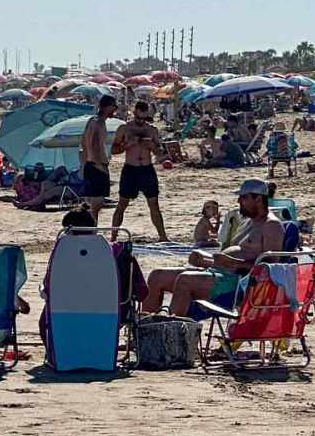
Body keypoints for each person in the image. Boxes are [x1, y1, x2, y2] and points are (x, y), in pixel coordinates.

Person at [140, 178, 285, 316]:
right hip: (218, 273)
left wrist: (234, 263)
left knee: (185, 280)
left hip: (237, 282)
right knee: (157, 276)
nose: (238, 201)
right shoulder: (248, 222)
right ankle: (143, 332)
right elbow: (232, 255)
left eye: (244, 197)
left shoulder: (271, 225)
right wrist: (206, 259)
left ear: (258, 199)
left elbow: (271, 267)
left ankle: (171, 333)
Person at [111, 100, 168, 242]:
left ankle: (163, 236)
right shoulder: (124, 128)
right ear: (134, 112)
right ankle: (113, 236)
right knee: (122, 203)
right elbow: (113, 149)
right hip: (130, 168)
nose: (141, 121)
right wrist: (128, 144)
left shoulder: (152, 129)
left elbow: (160, 152)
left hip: (147, 169)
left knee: (154, 204)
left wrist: (152, 146)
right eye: (138, 118)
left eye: (144, 118)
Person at [79, 95, 117, 218]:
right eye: (114, 106)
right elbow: (94, 144)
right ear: (108, 106)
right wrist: (99, 164)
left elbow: (83, 143)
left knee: (89, 203)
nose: (115, 109)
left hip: (89, 165)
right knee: (96, 204)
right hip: (96, 166)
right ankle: (92, 230)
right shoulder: (99, 122)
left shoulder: (91, 121)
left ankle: (88, 229)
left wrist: (84, 163)